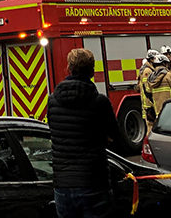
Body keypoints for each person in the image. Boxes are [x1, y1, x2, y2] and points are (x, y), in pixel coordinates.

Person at [46, 47, 121, 218]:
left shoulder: (53, 101)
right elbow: (116, 137)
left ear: (69, 68)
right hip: (93, 183)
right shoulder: (99, 102)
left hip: (62, 186)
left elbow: (54, 131)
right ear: (92, 71)